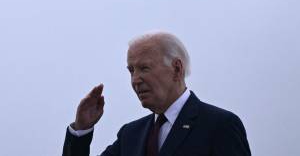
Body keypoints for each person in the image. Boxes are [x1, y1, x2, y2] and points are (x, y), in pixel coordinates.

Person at [63, 31, 251, 156]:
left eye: (144, 68)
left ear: (177, 69)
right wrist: (81, 129)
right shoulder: (130, 134)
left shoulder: (220, 125)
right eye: (131, 70)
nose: (135, 79)